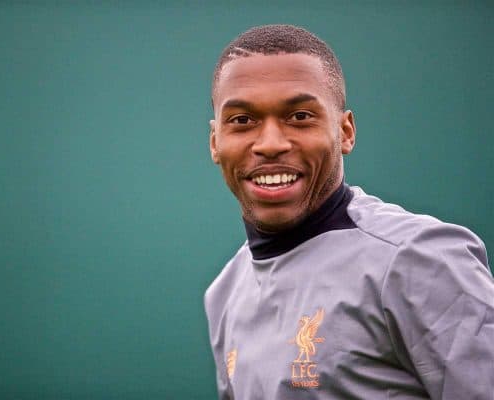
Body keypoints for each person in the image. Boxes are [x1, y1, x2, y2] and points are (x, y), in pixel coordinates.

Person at [204, 24, 494, 400]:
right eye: (243, 121)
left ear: (345, 132)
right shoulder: (224, 292)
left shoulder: (418, 258)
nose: (271, 144)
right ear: (215, 142)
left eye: (300, 116)